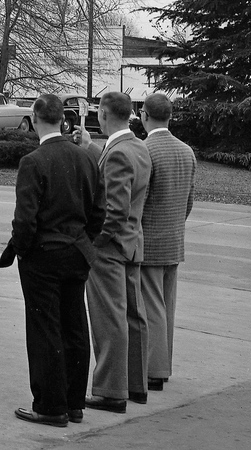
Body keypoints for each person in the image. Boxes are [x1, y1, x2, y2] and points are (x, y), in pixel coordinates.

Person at [0, 93, 104, 427]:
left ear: (36, 118)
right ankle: (74, 403)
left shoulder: (33, 161)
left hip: (43, 255)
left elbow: (25, 219)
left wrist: (24, 249)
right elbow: (98, 212)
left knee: (44, 329)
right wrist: (84, 240)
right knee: (74, 326)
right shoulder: (87, 158)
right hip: (77, 252)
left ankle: (49, 404)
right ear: (63, 118)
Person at [75, 91, 152, 413]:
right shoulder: (137, 147)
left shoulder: (118, 152)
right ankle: (135, 385)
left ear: (104, 114)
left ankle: (111, 391)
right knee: (134, 318)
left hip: (111, 248)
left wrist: (96, 244)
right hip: (133, 244)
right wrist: (91, 148)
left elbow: (114, 209)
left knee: (109, 320)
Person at [139, 93, 196, 392]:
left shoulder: (145, 150)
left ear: (145, 115)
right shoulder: (187, 152)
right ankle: (164, 365)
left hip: (149, 242)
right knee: (167, 306)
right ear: (170, 116)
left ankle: (154, 370)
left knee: (151, 308)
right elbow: (188, 202)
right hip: (174, 241)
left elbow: (141, 200)